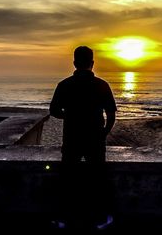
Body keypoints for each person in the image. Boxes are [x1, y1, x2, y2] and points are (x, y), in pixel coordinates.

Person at [49, 46, 117, 229]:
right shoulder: (102, 85)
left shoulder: (64, 85)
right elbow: (111, 114)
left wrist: (69, 116)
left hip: (72, 137)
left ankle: (62, 218)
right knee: (98, 179)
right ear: (92, 63)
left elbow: (53, 111)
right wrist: (104, 133)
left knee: (67, 179)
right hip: (95, 138)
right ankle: (101, 218)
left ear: (74, 63)